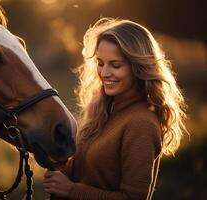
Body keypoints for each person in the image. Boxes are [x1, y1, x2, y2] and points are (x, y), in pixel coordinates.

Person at [43, 18, 188, 200]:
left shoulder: (141, 123)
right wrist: (57, 167)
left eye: (116, 65)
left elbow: (133, 197)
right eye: (100, 63)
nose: (104, 73)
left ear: (138, 67)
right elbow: (85, 170)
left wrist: (71, 190)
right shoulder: (105, 111)